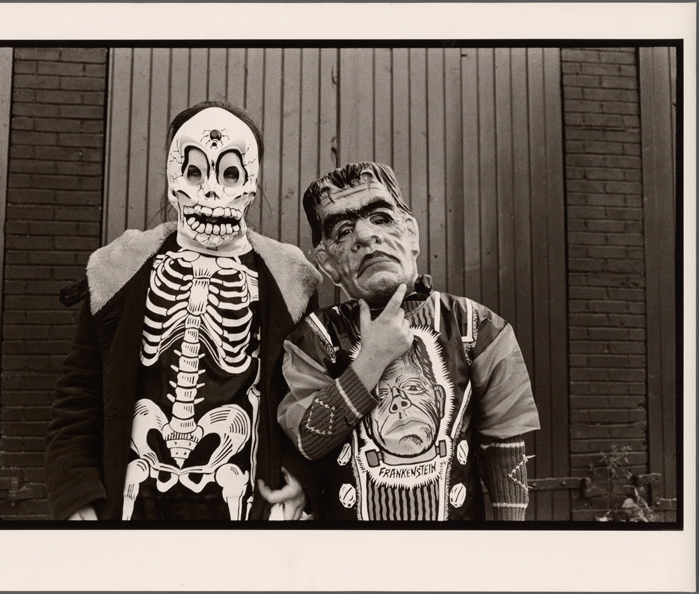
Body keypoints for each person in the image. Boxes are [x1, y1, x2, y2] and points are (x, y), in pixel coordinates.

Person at [45, 101, 322, 521]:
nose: (211, 191)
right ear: (173, 177)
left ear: (251, 181)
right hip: (134, 505)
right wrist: (75, 491)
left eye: (230, 174)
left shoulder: (289, 279)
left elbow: (308, 394)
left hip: (243, 502)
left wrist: (301, 475)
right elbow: (79, 393)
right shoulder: (121, 267)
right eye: (194, 173)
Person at [277, 162, 541, 521]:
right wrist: (371, 359)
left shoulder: (479, 329)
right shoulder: (313, 340)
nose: (366, 236)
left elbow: (504, 444)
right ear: (327, 263)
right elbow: (309, 442)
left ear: (411, 233)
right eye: (343, 230)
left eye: (381, 218)